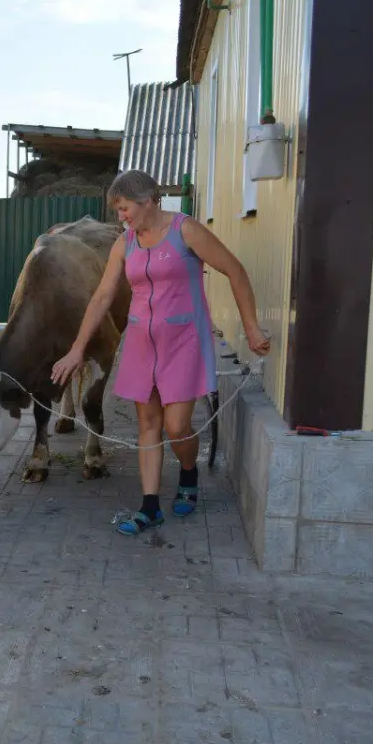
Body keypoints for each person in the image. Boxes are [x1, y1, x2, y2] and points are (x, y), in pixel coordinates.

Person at [51, 170, 270, 536]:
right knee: (148, 425)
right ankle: (149, 507)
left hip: (184, 339)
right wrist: (76, 350)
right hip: (141, 342)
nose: (121, 217)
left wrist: (250, 327)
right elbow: (103, 296)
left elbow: (234, 270)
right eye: (118, 210)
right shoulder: (126, 242)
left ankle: (188, 472)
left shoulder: (186, 231)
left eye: (124, 209)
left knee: (176, 426)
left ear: (148, 200)